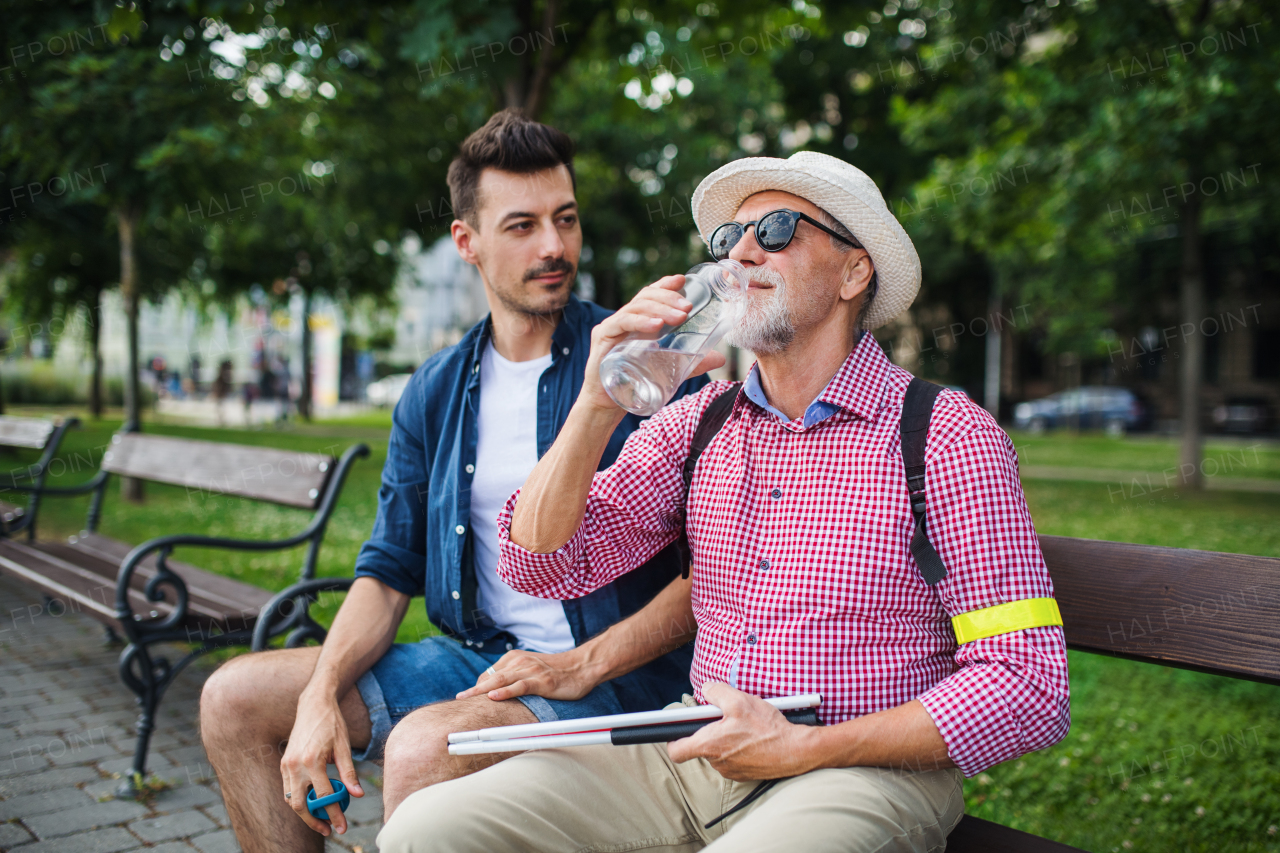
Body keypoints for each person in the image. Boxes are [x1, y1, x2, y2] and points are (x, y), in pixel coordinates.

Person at [378, 151, 1071, 852]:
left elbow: (1028, 684)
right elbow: (542, 564)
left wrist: (804, 747)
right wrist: (594, 402)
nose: (740, 252)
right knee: (425, 830)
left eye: (775, 229)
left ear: (853, 271)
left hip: (864, 766)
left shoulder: (946, 437)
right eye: (727, 238)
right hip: (697, 747)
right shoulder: (700, 422)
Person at [199, 110, 709, 853]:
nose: (553, 246)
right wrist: (317, 698)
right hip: (479, 658)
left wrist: (577, 664)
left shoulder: (645, 366)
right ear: (465, 242)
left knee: (425, 745)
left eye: (565, 219)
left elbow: (719, 570)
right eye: (522, 225)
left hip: (619, 675)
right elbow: (389, 566)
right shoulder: (435, 389)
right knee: (234, 699)